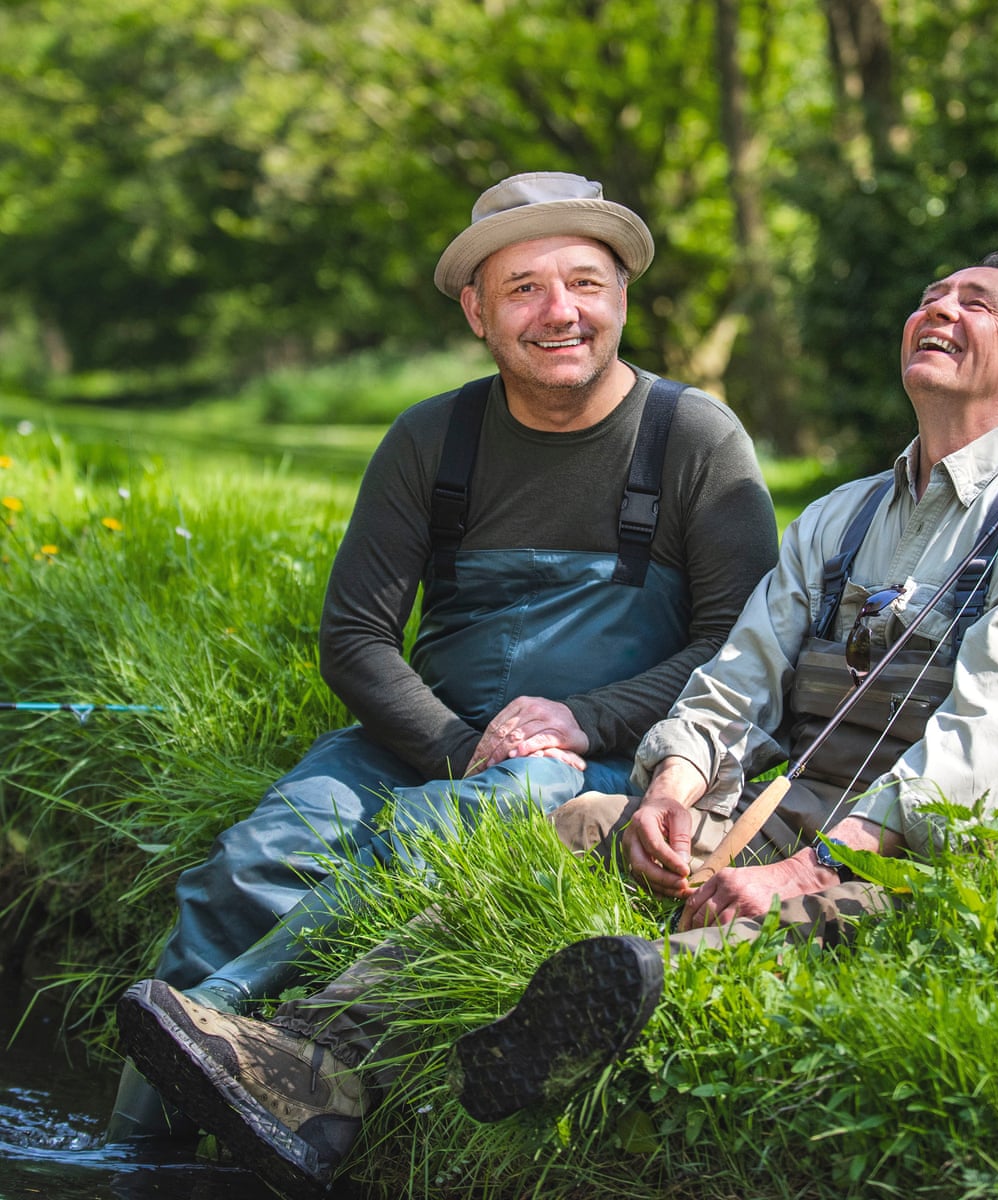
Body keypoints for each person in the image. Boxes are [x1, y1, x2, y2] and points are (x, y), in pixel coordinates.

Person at [115, 251, 998, 1196]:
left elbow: (986, 754)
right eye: (930, 297)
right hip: (799, 806)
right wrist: (673, 789)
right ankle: (312, 1064)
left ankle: (592, 1013)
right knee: (564, 831)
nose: (938, 310)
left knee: (795, 919)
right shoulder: (847, 516)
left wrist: (809, 868)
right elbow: (739, 674)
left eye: (975, 304)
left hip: (966, 855)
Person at [108, 171, 779, 1144]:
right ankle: (139, 1150)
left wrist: (584, 719)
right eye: (524, 288)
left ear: (622, 297)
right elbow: (355, 637)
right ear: (477, 311)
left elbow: (740, 644)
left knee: (444, 829)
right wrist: (458, 747)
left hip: (607, 757)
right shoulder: (433, 437)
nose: (561, 312)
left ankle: (228, 1028)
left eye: (585, 283)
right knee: (249, 864)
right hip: (424, 742)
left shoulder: (695, 438)